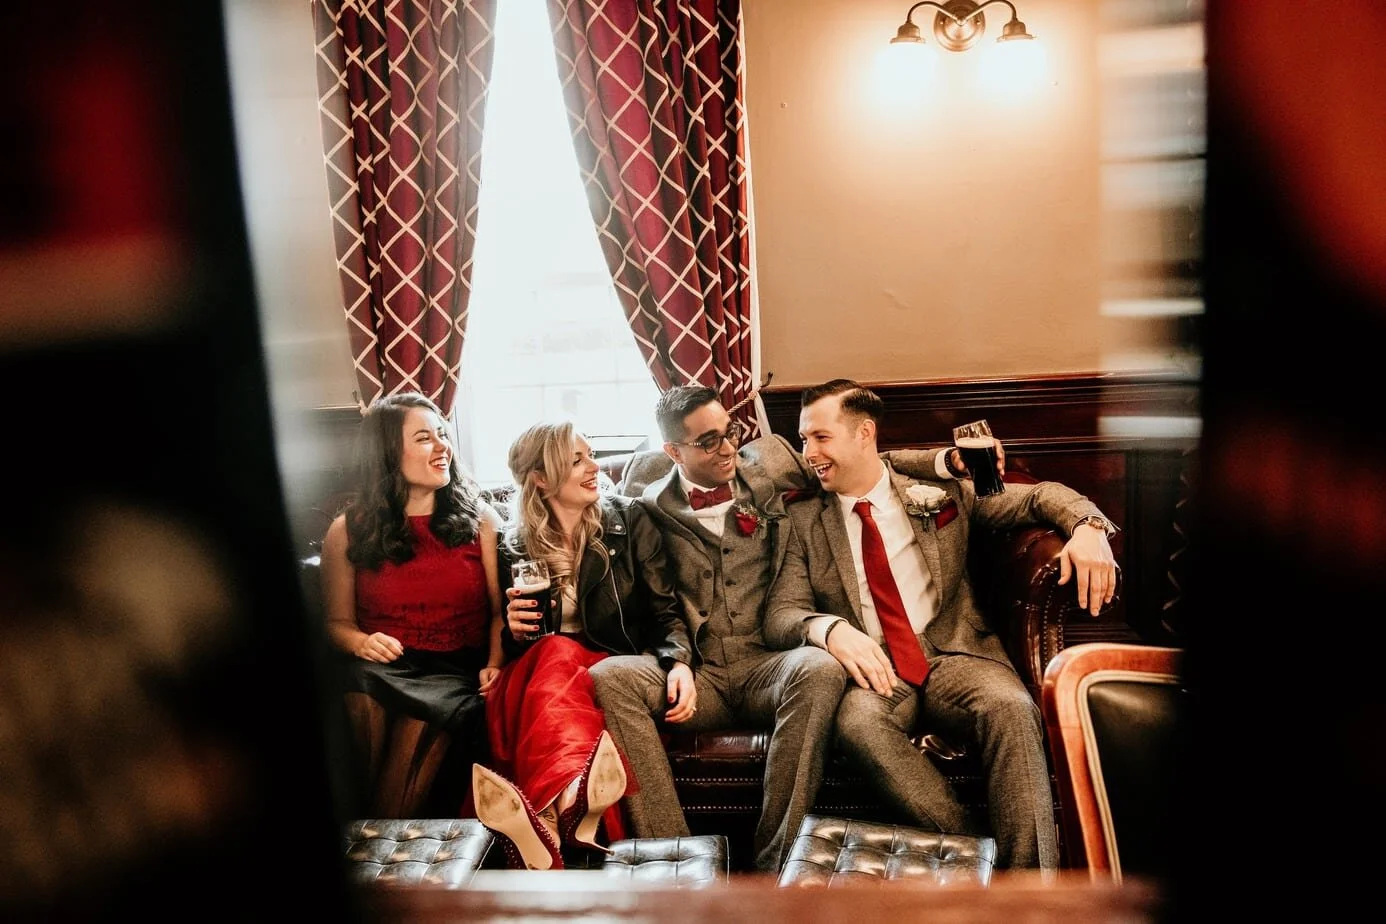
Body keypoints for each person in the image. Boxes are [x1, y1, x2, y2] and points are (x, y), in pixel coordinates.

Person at [591, 385, 975, 873]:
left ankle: (774, 862)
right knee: (609, 677)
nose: (727, 448)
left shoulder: (770, 461)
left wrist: (944, 461)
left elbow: (865, 457)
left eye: (729, 432)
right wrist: (675, 662)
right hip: (701, 674)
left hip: (767, 665)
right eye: (708, 442)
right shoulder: (646, 499)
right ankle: (673, 863)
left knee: (818, 666)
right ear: (674, 451)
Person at [764, 379, 1117, 873]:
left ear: (864, 434)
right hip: (878, 667)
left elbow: (1036, 497)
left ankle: (1033, 888)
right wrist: (829, 629)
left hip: (955, 651)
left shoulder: (939, 492)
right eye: (804, 439)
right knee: (857, 723)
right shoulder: (802, 520)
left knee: (1012, 707)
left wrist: (1088, 527)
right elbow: (781, 613)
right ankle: (977, 860)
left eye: (821, 437)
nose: (809, 454)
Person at [473, 420, 694, 871]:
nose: (594, 467)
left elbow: (665, 611)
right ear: (540, 478)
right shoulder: (514, 543)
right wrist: (513, 631)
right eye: (577, 460)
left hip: (614, 664)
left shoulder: (629, 520)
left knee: (557, 658)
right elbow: (518, 642)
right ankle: (574, 799)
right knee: (552, 654)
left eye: (590, 455)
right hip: (545, 674)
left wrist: (679, 662)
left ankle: (546, 821)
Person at [319, 392, 505, 816]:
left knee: (424, 718)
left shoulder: (482, 521)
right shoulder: (346, 529)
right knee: (360, 697)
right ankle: (369, 836)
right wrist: (360, 642)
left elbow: (499, 611)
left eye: (443, 434)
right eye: (424, 438)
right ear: (387, 453)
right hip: (382, 664)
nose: (443, 446)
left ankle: (379, 844)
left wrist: (495, 661)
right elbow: (336, 623)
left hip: (452, 669)